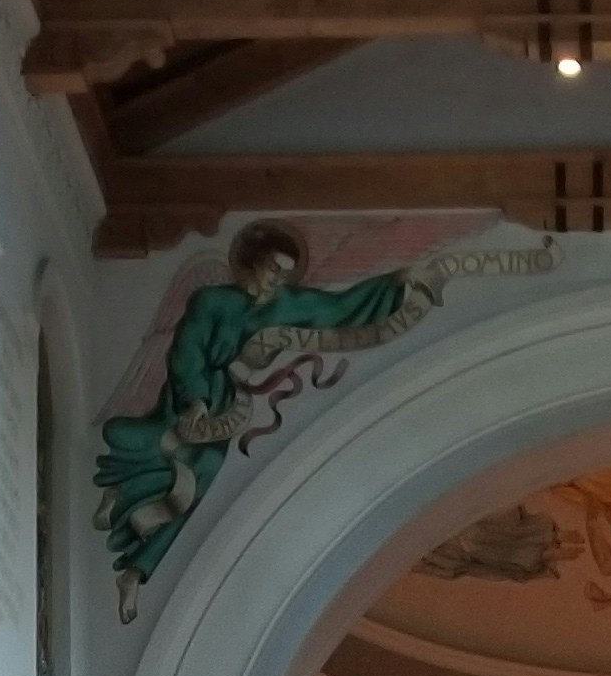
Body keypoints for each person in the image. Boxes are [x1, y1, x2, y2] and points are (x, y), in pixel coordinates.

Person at [93, 225, 425, 618]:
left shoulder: (286, 304)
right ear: (250, 264)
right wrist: (195, 401)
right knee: (141, 438)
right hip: (191, 397)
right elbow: (189, 350)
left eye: (284, 273)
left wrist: (394, 284)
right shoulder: (212, 301)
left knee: (201, 476)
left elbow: (338, 308)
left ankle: (135, 570)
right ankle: (116, 502)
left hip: (228, 407)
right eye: (271, 269)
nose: (276, 280)